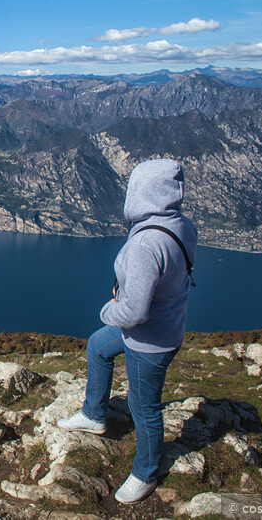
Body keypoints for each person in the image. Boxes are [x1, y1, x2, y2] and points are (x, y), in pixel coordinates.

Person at [57, 158, 197, 504]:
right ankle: (94, 414)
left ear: (142, 192)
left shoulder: (145, 244)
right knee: (98, 347)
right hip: (169, 325)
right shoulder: (181, 224)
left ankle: (145, 473)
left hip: (149, 340)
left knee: (144, 407)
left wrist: (108, 308)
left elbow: (133, 312)